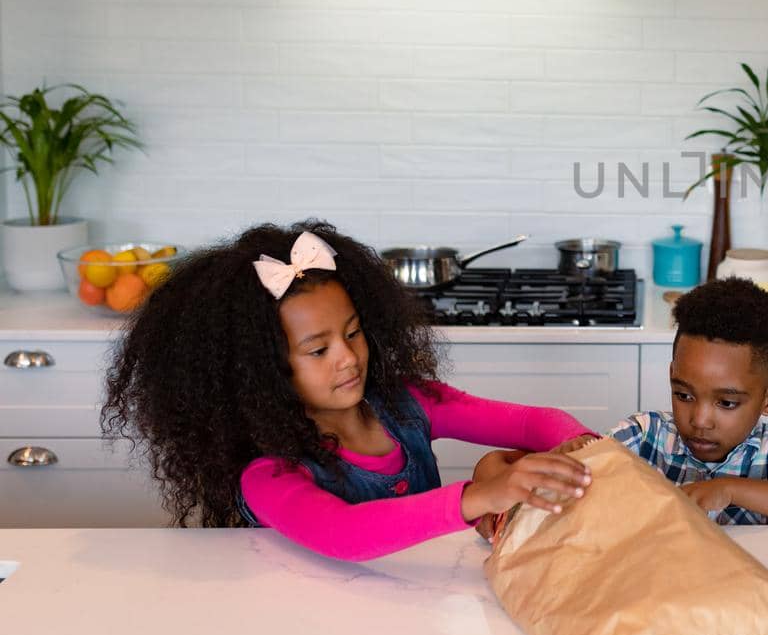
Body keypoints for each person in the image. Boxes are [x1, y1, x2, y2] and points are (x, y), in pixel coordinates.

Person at [101, 220, 597, 562]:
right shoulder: (268, 472)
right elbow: (345, 533)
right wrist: (480, 495)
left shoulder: (406, 402)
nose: (348, 357)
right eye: (318, 351)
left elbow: (533, 422)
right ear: (257, 372)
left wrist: (589, 453)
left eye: (354, 332)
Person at [611, 278, 768, 525]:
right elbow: (585, 467)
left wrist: (729, 489)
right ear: (672, 375)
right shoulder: (644, 435)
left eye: (726, 403)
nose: (700, 420)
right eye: (684, 396)